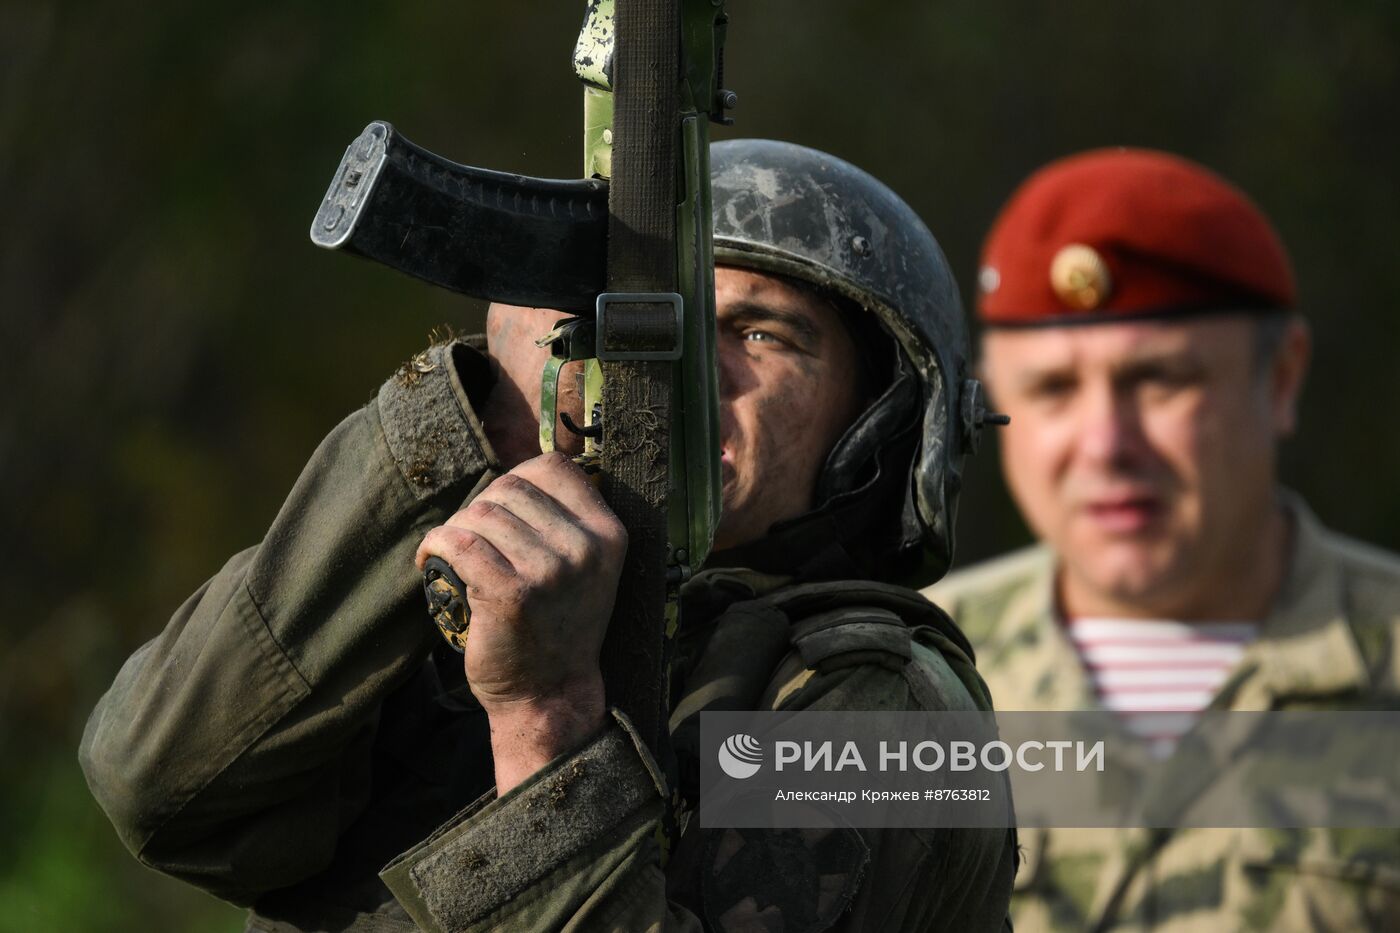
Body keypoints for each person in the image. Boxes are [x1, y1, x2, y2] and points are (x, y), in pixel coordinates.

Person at [81, 139, 1018, 932]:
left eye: (762, 332)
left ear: (878, 430)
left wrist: (544, 721)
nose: (692, 367)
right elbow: (160, 786)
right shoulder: (495, 595)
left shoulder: (893, 708)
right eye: (668, 325)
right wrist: (496, 422)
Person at [924, 147, 1400, 931]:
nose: (1107, 442)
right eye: (1052, 389)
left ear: (1280, 380)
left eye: (1160, 380)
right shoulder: (895, 675)